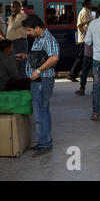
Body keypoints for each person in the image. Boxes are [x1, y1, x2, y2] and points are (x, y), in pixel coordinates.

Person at [19, 15, 59, 157]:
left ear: (37, 28)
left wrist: (38, 71)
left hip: (43, 80)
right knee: (41, 111)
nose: (28, 33)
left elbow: (54, 57)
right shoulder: (38, 39)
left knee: (41, 111)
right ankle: (44, 141)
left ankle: (45, 144)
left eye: (29, 30)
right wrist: (27, 56)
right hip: (38, 80)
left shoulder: (48, 39)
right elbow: (41, 57)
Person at [68, 0, 93, 82]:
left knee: (90, 56)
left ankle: (95, 74)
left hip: (88, 38)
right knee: (81, 57)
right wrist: (84, 33)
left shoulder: (89, 12)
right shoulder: (84, 12)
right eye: (90, 3)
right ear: (86, 4)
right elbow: (79, 25)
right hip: (84, 39)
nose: (91, 4)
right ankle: (72, 74)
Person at [7, 0, 28, 77]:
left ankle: (22, 81)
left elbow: (14, 25)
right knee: (14, 63)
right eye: (13, 7)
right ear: (11, 8)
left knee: (20, 62)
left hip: (19, 41)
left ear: (20, 7)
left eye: (16, 6)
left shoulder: (22, 16)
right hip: (13, 42)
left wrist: (11, 18)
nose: (15, 8)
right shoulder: (12, 17)